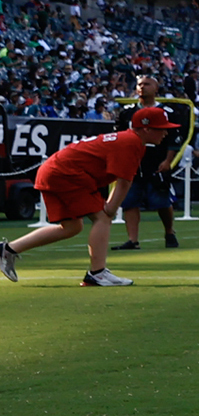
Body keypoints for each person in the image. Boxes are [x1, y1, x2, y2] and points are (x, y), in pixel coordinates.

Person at [2, 107, 177, 286]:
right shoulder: (130, 142)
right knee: (102, 217)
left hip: (54, 171)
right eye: (161, 128)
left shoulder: (131, 140)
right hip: (65, 173)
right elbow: (124, 181)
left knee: (71, 227)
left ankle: (8, 249)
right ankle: (97, 273)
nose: (165, 132)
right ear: (146, 129)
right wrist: (111, 208)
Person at [109, 77, 188, 251]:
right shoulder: (126, 112)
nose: (142, 88)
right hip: (134, 163)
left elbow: (175, 138)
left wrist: (168, 160)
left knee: (161, 200)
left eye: (147, 84)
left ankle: (169, 232)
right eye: (139, 84)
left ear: (156, 88)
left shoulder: (167, 111)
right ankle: (132, 239)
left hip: (156, 161)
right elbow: (118, 137)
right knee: (130, 201)